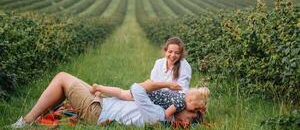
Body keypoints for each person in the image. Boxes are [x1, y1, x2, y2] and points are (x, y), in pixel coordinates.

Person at [11, 72, 198, 128]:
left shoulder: (159, 116)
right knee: (72, 84)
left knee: (61, 78)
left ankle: (25, 122)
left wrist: (159, 84)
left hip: (97, 111)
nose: (181, 102)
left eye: (188, 108)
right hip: (102, 104)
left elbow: (137, 88)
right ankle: (36, 116)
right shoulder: (164, 113)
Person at [90, 82, 210, 121]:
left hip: (151, 95)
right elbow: (167, 114)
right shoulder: (180, 104)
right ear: (189, 100)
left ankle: (101, 92)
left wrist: (201, 110)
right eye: (195, 108)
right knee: (121, 94)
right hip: (147, 96)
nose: (194, 110)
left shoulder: (182, 95)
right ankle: (99, 88)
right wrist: (168, 121)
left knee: (122, 93)